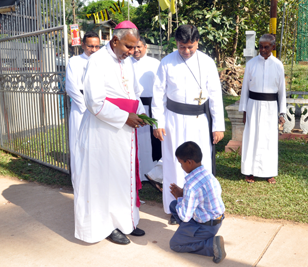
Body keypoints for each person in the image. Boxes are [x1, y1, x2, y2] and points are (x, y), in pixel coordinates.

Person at [73, 21, 146, 245]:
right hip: (102, 131)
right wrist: (125, 116)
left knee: (122, 176)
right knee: (104, 178)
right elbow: (94, 102)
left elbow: (133, 92)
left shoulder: (127, 61)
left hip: (124, 132)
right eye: (128, 47)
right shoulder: (97, 61)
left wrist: (140, 112)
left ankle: (126, 222)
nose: (132, 52)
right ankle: (106, 226)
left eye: (134, 48)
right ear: (115, 41)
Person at [152, 24, 225, 223]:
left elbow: (216, 96)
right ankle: (175, 208)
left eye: (190, 47)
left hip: (199, 120)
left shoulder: (208, 62)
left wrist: (218, 125)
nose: (186, 51)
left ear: (197, 43)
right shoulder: (166, 62)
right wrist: (157, 123)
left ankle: (201, 206)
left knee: (200, 163)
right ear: (176, 43)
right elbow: (158, 95)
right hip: (173, 120)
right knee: (173, 163)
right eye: (182, 46)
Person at [238, 34, 286, 184]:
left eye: (266, 47)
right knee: (252, 137)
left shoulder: (278, 65)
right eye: (261, 47)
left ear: (273, 47)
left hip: (271, 107)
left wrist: (282, 112)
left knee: (269, 139)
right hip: (253, 105)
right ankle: (249, 171)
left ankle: (269, 172)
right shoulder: (251, 64)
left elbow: (282, 91)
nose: (263, 50)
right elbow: (245, 88)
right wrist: (244, 111)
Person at [169, 141, 226, 264]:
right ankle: (189, 233)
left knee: (175, 244)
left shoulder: (191, 185)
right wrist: (183, 194)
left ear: (189, 162)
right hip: (215, 219)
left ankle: (211, 245)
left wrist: (179, 196)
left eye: (181, 163)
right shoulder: (207, 174)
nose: (181, 167)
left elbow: (185, 216)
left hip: (205, 226)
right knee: (173, 206)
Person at [65, 31, 100, 184]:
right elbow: (71, 87)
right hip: (81, 108)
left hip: (99, 108)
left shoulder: (102, 62)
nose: (94, 50)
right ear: (83, 45)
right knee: (78, 144)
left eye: (97, 46)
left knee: (96, 144)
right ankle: (78, 181)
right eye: (90, 46)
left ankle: (95, 181)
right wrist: (86, 107)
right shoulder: (74, 61)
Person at [131, 36, 163, 185]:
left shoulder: (155, 64)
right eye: (133, 47)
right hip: (132, 107)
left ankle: (152, 173)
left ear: (145, 47)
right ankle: (136, 172)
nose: (136, 50)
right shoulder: (125, 63)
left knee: (152, 142)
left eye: (139, 47)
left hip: (151, 106)